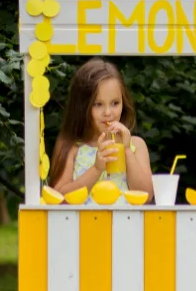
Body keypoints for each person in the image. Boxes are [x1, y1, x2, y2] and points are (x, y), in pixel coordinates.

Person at [49, 58, 153, 204]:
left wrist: (127, 151)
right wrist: (96, 169)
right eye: (98, 104)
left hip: (127, 226)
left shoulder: (136, 145)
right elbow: (59, 198)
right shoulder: (72, 146)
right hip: (84, 226)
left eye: (115, 103)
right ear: (82, 107)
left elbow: (146, 196)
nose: (108, 112)